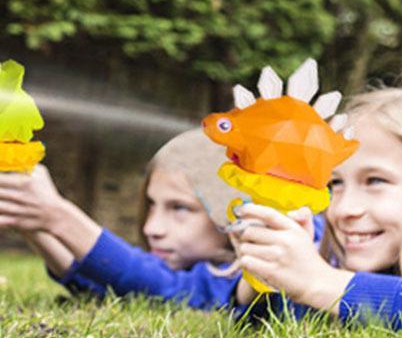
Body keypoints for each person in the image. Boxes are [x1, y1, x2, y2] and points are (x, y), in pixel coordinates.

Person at [233, 83, 402, 330]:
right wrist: (269, 276)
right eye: (335, 184)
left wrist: (319, 280)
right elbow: (293, 312)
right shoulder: (345, 250)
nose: (344, 209)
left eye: (375, 181)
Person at [0, 128, 266, 309]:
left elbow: (162, 287)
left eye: (180, 208)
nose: (152, 228)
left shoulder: (240, 278)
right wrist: (29, 218)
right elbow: (106, 289)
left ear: (236, 214)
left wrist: (58, 216)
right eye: (151, 205)